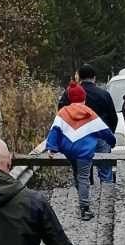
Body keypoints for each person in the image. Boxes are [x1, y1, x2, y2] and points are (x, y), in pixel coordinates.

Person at [46, 83, 115, 220]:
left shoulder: (63, 112)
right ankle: (85, 208)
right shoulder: (89, 113)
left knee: (77, 174)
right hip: (84, 151)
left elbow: (54, 131)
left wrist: (51, 148)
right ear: (84, 98)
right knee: (83, 177)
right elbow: (103, 130)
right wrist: (111, 141)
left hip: (69, 150)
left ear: (70, 98)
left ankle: (81, 197)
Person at [58, 61, 118, 134]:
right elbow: (113, 119)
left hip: (76, 135)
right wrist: (108, 135)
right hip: (99, 135)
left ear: (79, 77)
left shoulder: (69, 93)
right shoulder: (104, 95)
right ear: (94, 78)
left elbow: (61, 114)